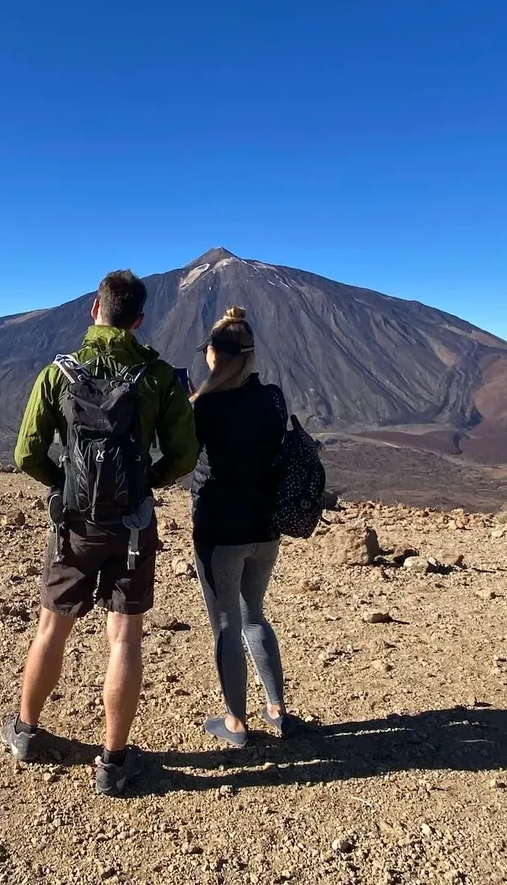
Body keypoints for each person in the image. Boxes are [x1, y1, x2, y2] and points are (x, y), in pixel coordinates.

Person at [4, 269, 198, 795]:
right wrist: (146, 484)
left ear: (95, 309)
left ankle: (25, 733)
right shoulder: (156, 376)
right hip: (133, 527)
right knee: (125, 638)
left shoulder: (58, 374)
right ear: (138, 320)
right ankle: (113, 762)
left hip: (74, 527)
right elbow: (184, 454)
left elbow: (26, 453)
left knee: (51, 629)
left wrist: (64, 484)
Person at [190, 307, 297, 747]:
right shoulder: (272, 397)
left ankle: (235, 723)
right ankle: (277, 710)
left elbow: (178, 456)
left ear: (215, 355)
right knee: (255, 615)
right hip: (265, 528)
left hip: (220, 531)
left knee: (225, 625)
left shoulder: (206, 406)